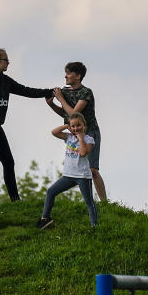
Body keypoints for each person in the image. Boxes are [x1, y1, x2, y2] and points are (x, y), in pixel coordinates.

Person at [0, 47, 53, 201]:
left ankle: (15, 199)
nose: (8, 63)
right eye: (6, 61)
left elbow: (26, 90)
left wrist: (49, 92)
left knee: (8, 161)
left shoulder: (5, 80)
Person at [47, 61, 107, 201]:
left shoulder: (85, 92)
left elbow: (74, 113)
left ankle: (104, 202)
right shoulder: (65, 91)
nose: (65, 76)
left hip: (90, 132)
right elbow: (65, 114)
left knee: (92, 170)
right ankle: (89, 200)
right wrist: (51, 103)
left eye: (69, 73)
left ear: (78, 76)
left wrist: (60, 99)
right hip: (73, 135)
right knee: (77, 168)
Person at [36, 113, 97, 229]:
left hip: (82, 176)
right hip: (68, 176)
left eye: (78, 125)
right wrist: (65, 126)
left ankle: (95, 226)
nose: (75, 128)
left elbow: (83, 153)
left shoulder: (89, 139)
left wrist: (80, 138)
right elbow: (54, 132)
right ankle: (45, 219)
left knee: (89, 202)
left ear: (84, 125)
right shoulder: (68, 137)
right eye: (73, 126)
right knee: (51, 192)